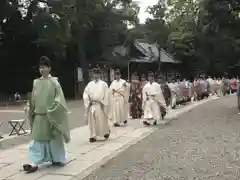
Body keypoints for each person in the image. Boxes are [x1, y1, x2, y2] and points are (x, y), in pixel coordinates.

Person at [23, 56, 70, 173]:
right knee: (37, 140)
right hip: (39, 115)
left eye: (44, 67)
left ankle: (57, 158)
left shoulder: (54, 83)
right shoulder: (36, 83)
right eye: (40, 68)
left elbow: (60, 99)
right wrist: (30, 108)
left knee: (54, 140)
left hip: (51, 115)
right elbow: (33, 98)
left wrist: (53, 109)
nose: (42, 70)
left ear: (49, 68)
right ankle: (34, 162)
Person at [83, 68, 110, 142]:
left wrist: (103, 102)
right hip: (92, 104)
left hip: (100, 104)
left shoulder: (104, 84)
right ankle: (93, 135)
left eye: (97, 74)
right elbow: (85, 94)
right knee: (92, 121)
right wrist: (88, 100)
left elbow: (107, 95)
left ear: (99, 74)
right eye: (94, 74)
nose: (95, 75)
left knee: (101, 120)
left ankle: (105, 131)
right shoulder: (89, 84)